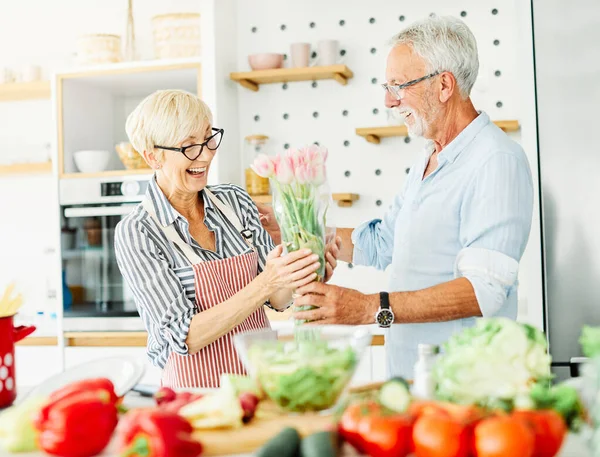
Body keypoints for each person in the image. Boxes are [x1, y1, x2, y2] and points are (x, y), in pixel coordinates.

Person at [258, 15, 534, 378]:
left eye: (399, 86)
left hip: (466, 384)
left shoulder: (495, 161)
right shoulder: (429, 159)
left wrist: (371, 307)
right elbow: (382, 243)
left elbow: (484, 292)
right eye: (386, 86)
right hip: (412, 377)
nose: (389, 101)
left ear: (444, 85)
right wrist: (299, 227)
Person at [114, 89, 340, 388]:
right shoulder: (138, 232)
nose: (206, 154)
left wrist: (303, 269)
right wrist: (267, 282)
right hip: (196, 394)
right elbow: (185, 336)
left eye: (208, 138)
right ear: (153, 156)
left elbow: (276, 299)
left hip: (263, 380)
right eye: (189, 146)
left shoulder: (233, 202)